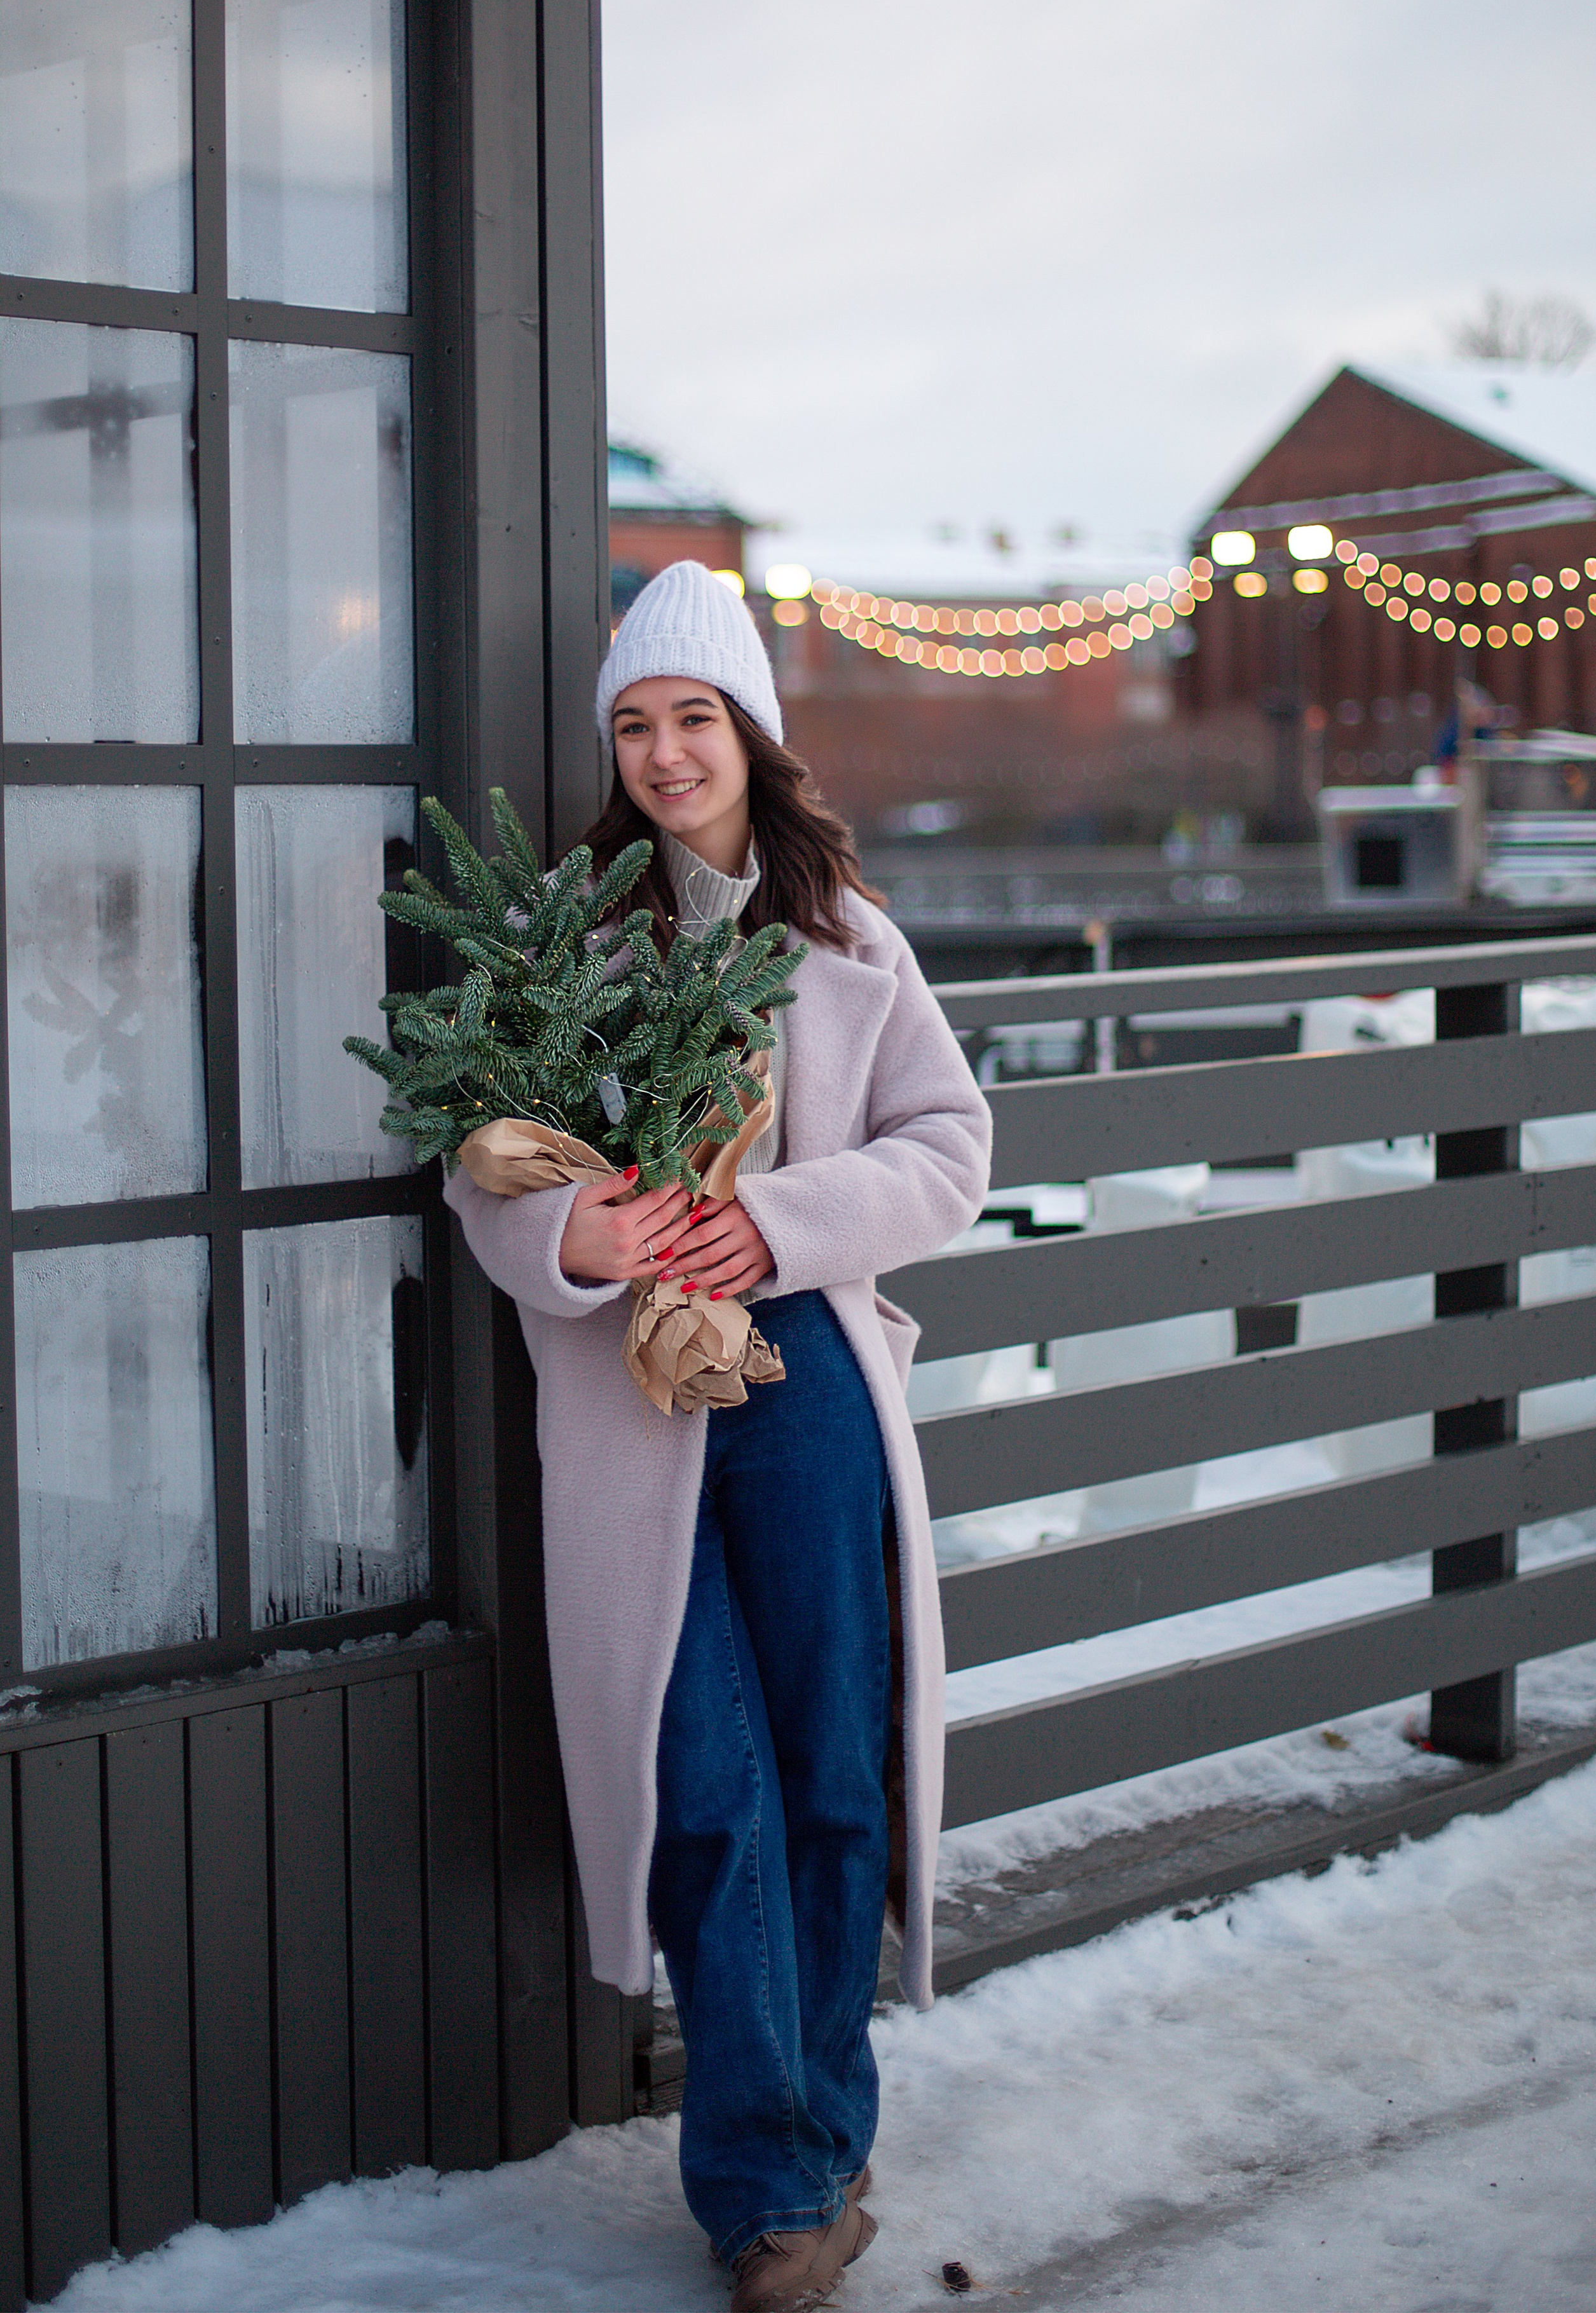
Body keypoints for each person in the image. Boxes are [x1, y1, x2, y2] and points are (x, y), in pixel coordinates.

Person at [444, 562, 991, 2312]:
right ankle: (772, 2180)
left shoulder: (846, 938)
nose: (667, 752)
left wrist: (779, 1223)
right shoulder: (571, 937)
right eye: (637, 723)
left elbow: (950, 1150)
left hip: (808, 1383)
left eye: (694, 718)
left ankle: (811, 2155)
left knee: (830, 1773)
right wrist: (572, 1240)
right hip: (631, 1409)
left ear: (750, 732)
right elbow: (483, 1166)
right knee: (704, 1785)